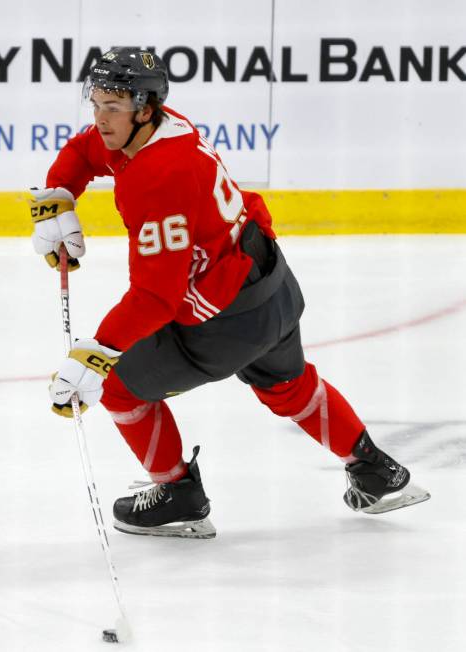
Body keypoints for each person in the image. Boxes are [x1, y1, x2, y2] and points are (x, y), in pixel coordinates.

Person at [29, 47, 430, 539]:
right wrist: (59, 196)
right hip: (271, 286)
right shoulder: (158, 127)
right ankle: (376, 471)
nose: (101, 117)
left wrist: (97, 353)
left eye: (113, 106)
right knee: (289, 385)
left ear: (145, 108)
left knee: (117, 386)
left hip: (223, 321)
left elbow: (156, 297)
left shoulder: (160, 176)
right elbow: (86, 151)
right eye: (97, 103)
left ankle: (177, 496)